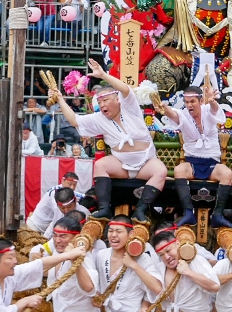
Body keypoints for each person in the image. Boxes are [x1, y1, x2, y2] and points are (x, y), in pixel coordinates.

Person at [52, 60, 167, 223]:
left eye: (106, 100)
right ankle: (104, 209)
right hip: (121, 165)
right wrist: (60, 99)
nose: (102, 104)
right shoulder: (99, 118)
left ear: (117, 100)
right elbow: (75, 121)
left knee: (160, 171)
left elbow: (125, 90)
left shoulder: (129, 108)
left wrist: (103, 75)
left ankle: (141, 210)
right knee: (100, 165)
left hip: (145, 163)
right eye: (99, 102)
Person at [156, 80, 232, 229]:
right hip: (192, 162)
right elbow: (173, 114)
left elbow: (216, 112)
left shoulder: (208, 109)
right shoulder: (183, 114)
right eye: (186, 102)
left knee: (227, 173)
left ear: (201, 101)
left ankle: (217, 215)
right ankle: (188, 213)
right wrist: (164, 109)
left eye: (193, 101)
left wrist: (212, 102)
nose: (189, 105)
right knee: (179, 170)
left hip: (211, 162)